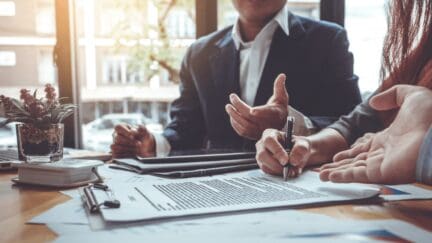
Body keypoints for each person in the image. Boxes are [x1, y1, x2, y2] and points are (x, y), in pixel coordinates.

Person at [111, 0, 361, 158]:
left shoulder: (327, 41)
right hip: (216, 193)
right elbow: (185, 128)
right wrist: (152, 143)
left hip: (297, 186)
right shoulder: (199, 53)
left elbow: (353, 123)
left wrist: (290, 122)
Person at [255, 0, 432, 184]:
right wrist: (305, 146)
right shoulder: (424, 54)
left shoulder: (326, 37)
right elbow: (355, 125)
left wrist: (426, 151)